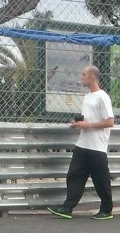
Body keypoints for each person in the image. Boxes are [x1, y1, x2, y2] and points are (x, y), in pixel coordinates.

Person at [46, 66, 115, 220]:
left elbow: (110, 122)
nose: (81, 77)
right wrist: (79, 124)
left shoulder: (102, 97)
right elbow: (89, 119)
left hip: (97, 147)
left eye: (83, 74)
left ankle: (106, 210)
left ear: (92, 77)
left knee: (101, 180)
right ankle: (67, 207)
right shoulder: (87, 97)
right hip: (83, 144)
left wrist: (87, 126)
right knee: (74, 175)